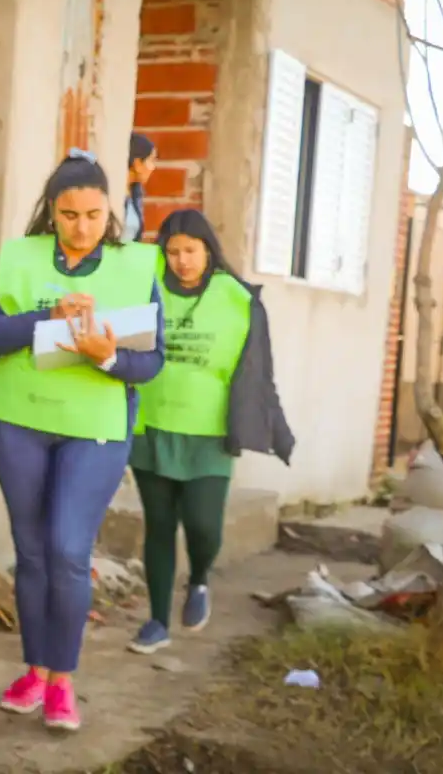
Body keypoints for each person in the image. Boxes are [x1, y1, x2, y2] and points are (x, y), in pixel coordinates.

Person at [0, 149, 166, 731]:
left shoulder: (135, 268)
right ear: (50, 213)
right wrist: (45, 317)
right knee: (30, 553)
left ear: (111, 211)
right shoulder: (18, 259)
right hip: (21, 419)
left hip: (96, 429)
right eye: (69, 214)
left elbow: (151, 362)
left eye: (93, 214)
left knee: (66, 550)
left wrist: (108, 357)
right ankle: (34, 671)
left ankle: (63, 682)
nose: (82, 227)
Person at [126, 209, 294, 655]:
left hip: (210, 432)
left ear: (208, 251)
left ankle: (199, 579)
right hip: (150, 425)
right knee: (159, 525)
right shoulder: (145, 289)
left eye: (190, 251)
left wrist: (271, 425)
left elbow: (260, 371)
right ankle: (157, 620)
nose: (181, 260)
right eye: (172, 251)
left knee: (202, 523)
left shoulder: (237, 298)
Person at [122, 133, 157, 243]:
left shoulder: (135, 193)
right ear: (137, 164)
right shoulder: (114, 193)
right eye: (151, 160)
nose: (153, 167)